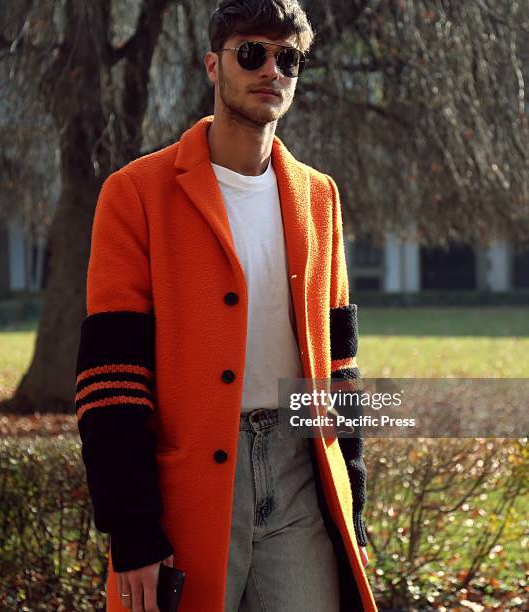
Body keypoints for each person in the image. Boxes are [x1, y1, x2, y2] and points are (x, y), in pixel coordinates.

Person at [75, 1, 377, 610]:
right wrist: (131, 527)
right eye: (252, 53)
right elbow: (111, 381)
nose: (271, 69)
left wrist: (353, 500)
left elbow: (340, 363)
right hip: (187, 486)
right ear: (213, 65)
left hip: (301, 480)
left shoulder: (320, 198)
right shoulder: (135, 195)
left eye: (287, 57)